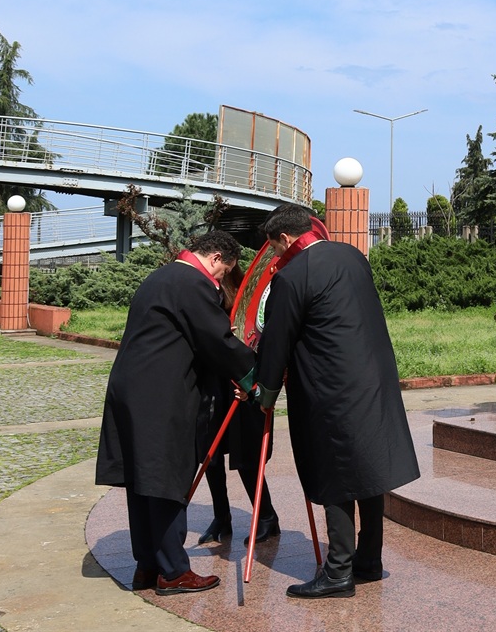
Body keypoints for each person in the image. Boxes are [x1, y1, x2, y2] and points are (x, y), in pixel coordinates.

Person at [254, 202, 420, 599]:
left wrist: (265, 393)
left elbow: (276, 340)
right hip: (373, 380)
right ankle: (369, 559)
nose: (275, 255)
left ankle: (338, 573)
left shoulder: (292, 276)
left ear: (285, 238)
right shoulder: (352, 256)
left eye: (274, 247)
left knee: (337, 476)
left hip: (330, 389)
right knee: (369, 471)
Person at [96, 230, 257, 595]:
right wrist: (254, 374)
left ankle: (147, 566)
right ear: (216, 259)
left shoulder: (162, 275)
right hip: (160, 394)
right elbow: (217, 341)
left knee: (143, 481)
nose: (220, 280)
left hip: (132, 389)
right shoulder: (193, 283)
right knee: (166, 480)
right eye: (223, 273)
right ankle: (173, 571)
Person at [197, 262, 279, 547]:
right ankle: (221, 516)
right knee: (211, 454)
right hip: (214, 383)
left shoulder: (246, 295)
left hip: (244, 381)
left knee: (246, 456)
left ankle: (266, 515)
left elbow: (261, 336)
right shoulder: (202, 291)